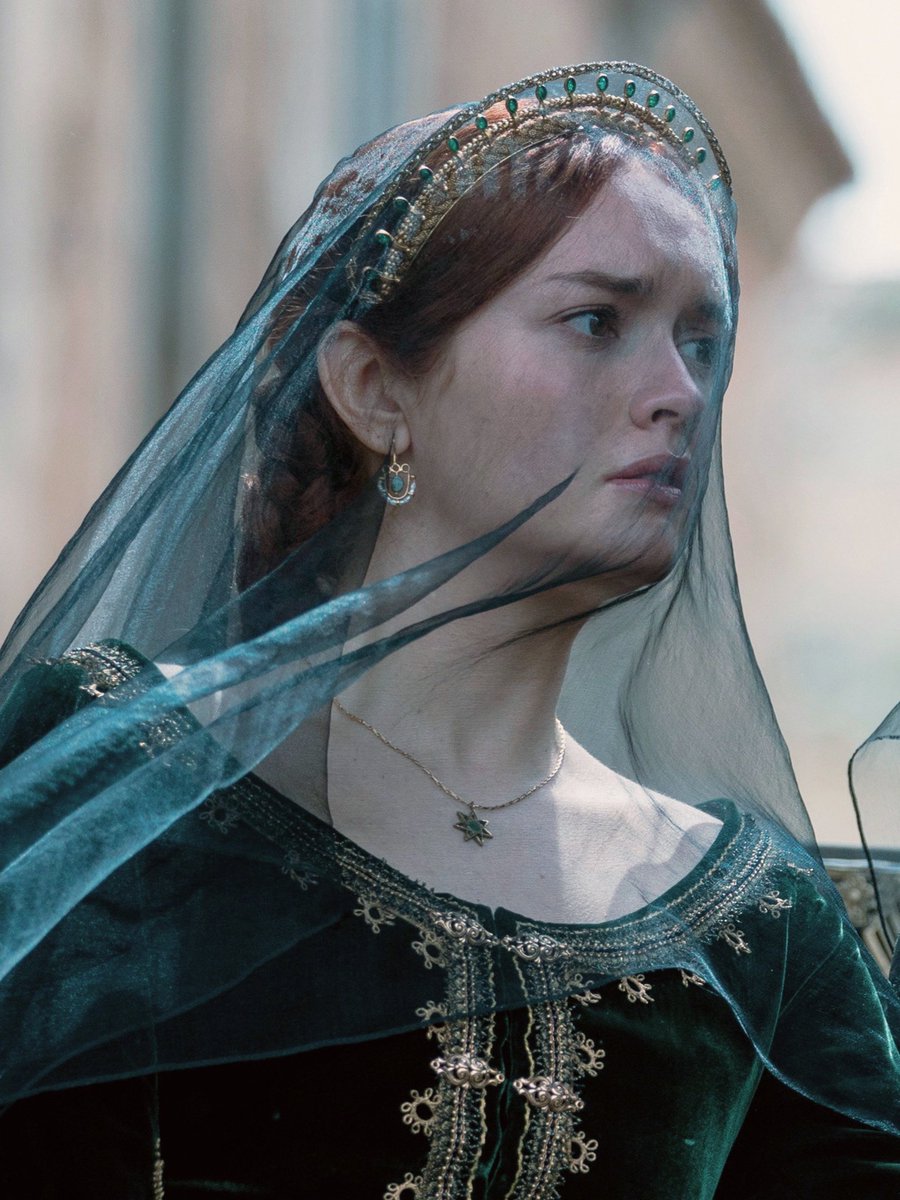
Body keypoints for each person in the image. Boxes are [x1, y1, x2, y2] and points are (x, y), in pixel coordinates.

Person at [0, 62, 897, 1199]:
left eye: (702, 343)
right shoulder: (129, 768)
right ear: (375, 389)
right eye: (596, 321)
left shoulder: (759, 927)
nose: (679, 392)